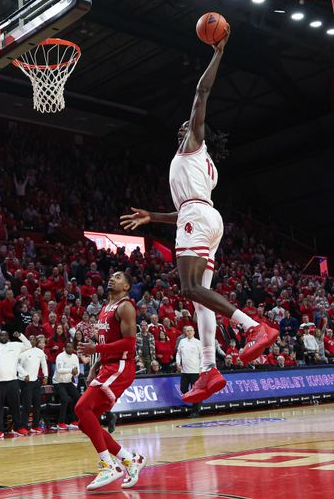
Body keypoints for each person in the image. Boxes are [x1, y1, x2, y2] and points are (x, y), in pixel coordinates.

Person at [119, 28, 278, 404]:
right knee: (199, 298)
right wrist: (153, 216)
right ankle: (209, 369)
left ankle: (255, 327)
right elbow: (186, 211)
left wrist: (218, 53)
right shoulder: (202, 168)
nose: (184, 127)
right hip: (204, 216)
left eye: (188, 126)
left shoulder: (192, 144)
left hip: (197, 216)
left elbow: (201, 93)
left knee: (191, 289)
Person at [75, 271, 146, 490]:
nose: (111, 279)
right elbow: (106, 342)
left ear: (126, 286)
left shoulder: (126, 307)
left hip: (122, 366)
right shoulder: (104, 309)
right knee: (86, 423)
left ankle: (108, 465)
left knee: (82, 407)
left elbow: (129, 343)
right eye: (111, 276)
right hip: (107, 366)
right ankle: (128, 459)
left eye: (118, 277)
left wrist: (96, 349)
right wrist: (95, 365)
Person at [17, 335, 48, 433]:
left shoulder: (40, 352)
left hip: (36, 381)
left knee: (37, 404)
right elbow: (17, 365)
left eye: (33, 339)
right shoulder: (22, 352)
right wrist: (24, 374)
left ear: (36, 341)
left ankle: (35, 426)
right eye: (29, 339)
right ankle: (24, 426)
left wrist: (46, 376)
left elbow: (44, 364)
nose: (31, 341)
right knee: (26, 405)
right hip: (25, 382)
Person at [177, 325, 203, 418]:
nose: (189, 332)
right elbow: (178, 353)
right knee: (183, 389)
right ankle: (193, 402)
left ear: (194, 332)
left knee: (196, 391)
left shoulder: (198, 342)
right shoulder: (182, 342)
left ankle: (196, 410)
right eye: (187, 331)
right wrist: (178, 363)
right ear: (185, 332)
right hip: (184, 371)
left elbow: (202, 356)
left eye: (190, 331)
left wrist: (201, 368)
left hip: (195, 371)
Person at [53, 341, 80, 430]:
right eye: (68, 347)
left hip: (68, 381)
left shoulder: (75, 357)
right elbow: (59, 370)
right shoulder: (60, 356)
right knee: (65, 399)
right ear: (65, 348)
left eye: (71, 347)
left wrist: (75, 373)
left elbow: (77, 371)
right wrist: (71, 370)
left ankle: (74, 420)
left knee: (77, 397)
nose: (70, 349)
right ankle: (60, 422)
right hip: (58, 382)